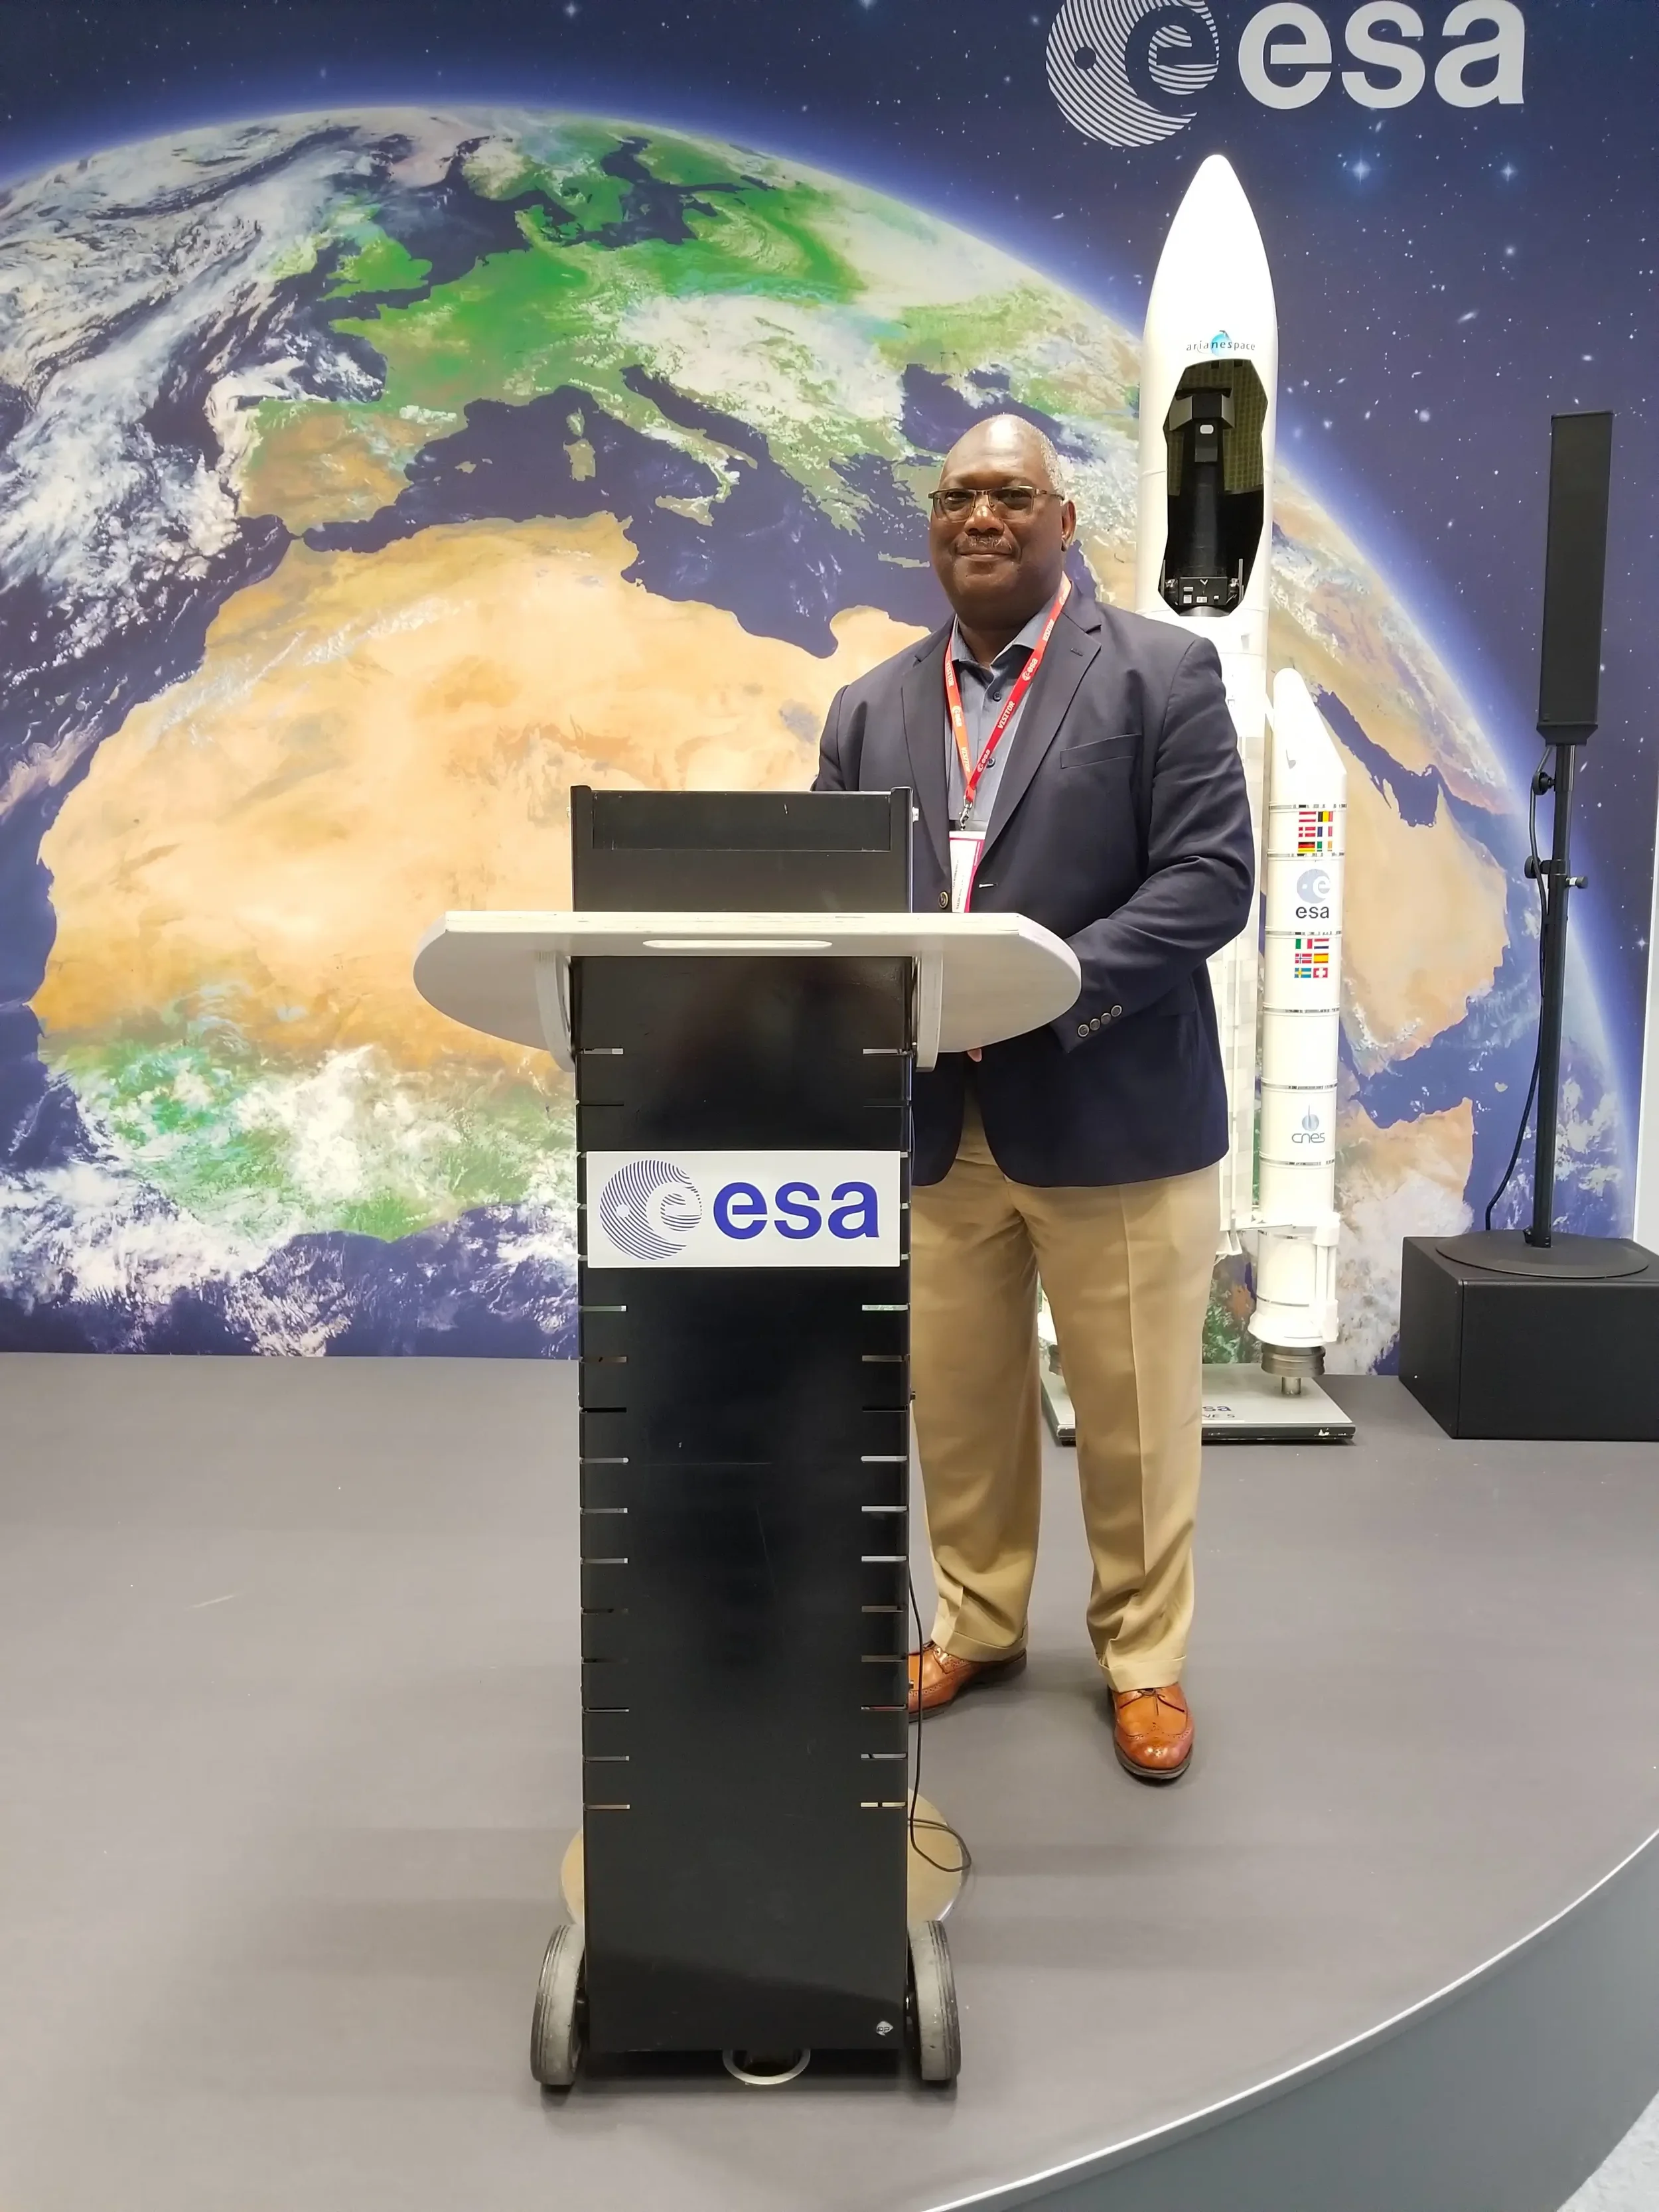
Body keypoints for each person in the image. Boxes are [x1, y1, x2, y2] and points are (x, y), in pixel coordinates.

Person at [813, 415, 1254, 1782]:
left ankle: (1142, 1659)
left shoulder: (1161, 676)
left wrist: (1041, 982)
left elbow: (1207, 878)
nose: (982, 516)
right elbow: (822, 893)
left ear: (1064, 523)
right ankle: (979, 1621)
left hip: (1111, 1111)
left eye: (1012, 495)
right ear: (933, 526)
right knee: (955, 1406)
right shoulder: (873, 705)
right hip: (938, 1129)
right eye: (957, 497)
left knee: (1129, 1413)